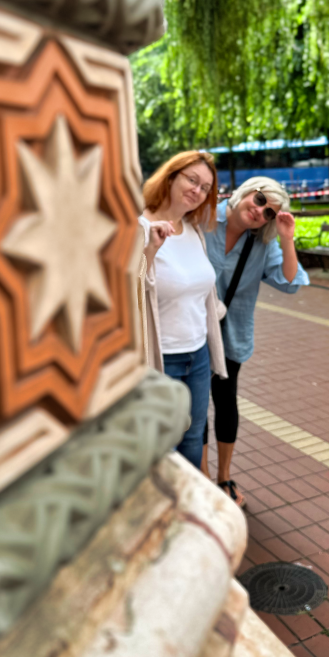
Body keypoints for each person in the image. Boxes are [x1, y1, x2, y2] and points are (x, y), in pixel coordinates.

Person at [202, 177, 309, 506]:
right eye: (259, 199)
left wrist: (286, 238)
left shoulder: (263, 241)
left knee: (225, 401)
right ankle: (202, 478)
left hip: (230, 331)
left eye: (269, 212)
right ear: (246, 191)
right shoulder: (202, 219)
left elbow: (290, 281)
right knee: (191, 407)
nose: (259, 210)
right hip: (189, 329)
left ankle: (223, 477)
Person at [139, 151, 227, 470]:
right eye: (192, 180)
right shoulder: (137, 226)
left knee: (192, 439)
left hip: (197, 356)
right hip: (160, 359)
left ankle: (184, 512)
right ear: (171, 176)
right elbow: (125, 293)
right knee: (160, 447)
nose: (198, 191)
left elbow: (201, 289)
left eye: (205, 188)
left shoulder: (192, 230)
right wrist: (149, 249)